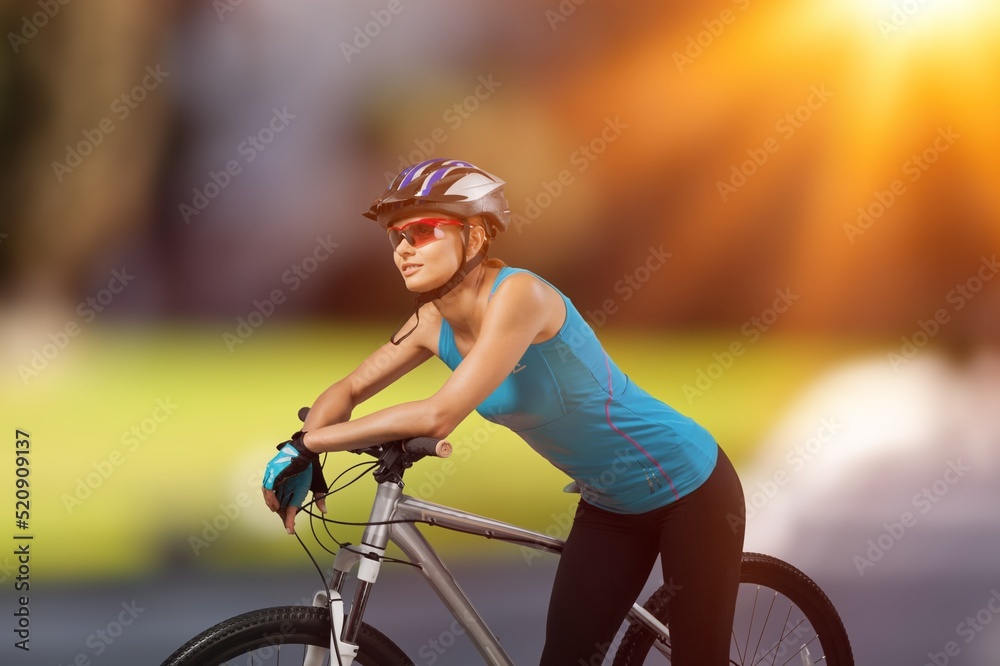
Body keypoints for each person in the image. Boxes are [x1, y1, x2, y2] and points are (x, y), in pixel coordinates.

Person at [260, 158, 746, 665]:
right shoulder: (431, 321)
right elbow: (351, 387)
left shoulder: (520, 296)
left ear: (474, 238)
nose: (404, 249)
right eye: (396, 236)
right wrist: (306, 444)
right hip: (611, 505)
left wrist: (309, 443)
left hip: (687, 484)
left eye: (423, 231)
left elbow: (438, 415)